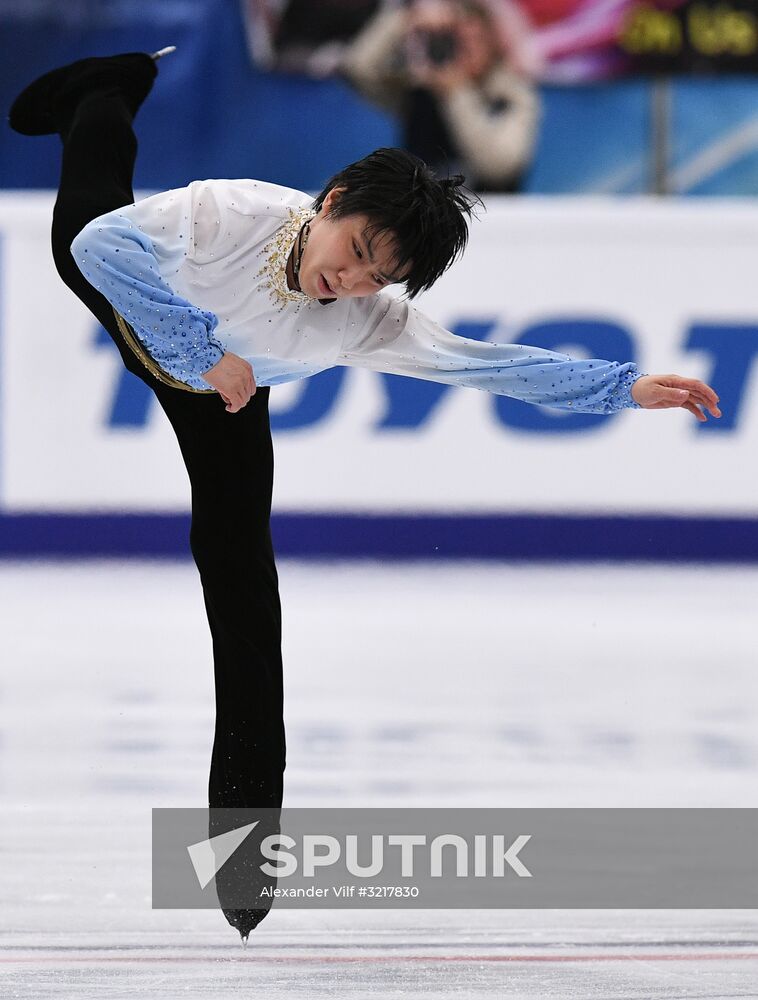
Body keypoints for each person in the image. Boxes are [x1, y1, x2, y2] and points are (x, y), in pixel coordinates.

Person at [9, 48, 719, 941]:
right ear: (332, 203)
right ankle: (105, 92)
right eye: (350, 256)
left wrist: (622, 389)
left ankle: (244, 845)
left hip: (228, 393)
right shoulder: (230, 214)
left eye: (373, 278)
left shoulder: (370, 318)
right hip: (154, 309)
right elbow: (99, 248)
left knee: (242, 583)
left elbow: (488, 366)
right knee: (85, 216)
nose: (346, 283)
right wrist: (199, 351)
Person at [342, 0, 540, 192]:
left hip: (492, 214)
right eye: (459, 40)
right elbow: (359, 69)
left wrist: (456, 93)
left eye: (477, 38)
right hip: (425, 215)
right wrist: (407, 17)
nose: (469, 49)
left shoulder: (511, 93)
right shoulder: (422, 88)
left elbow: (499, 168)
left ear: (493, 42)